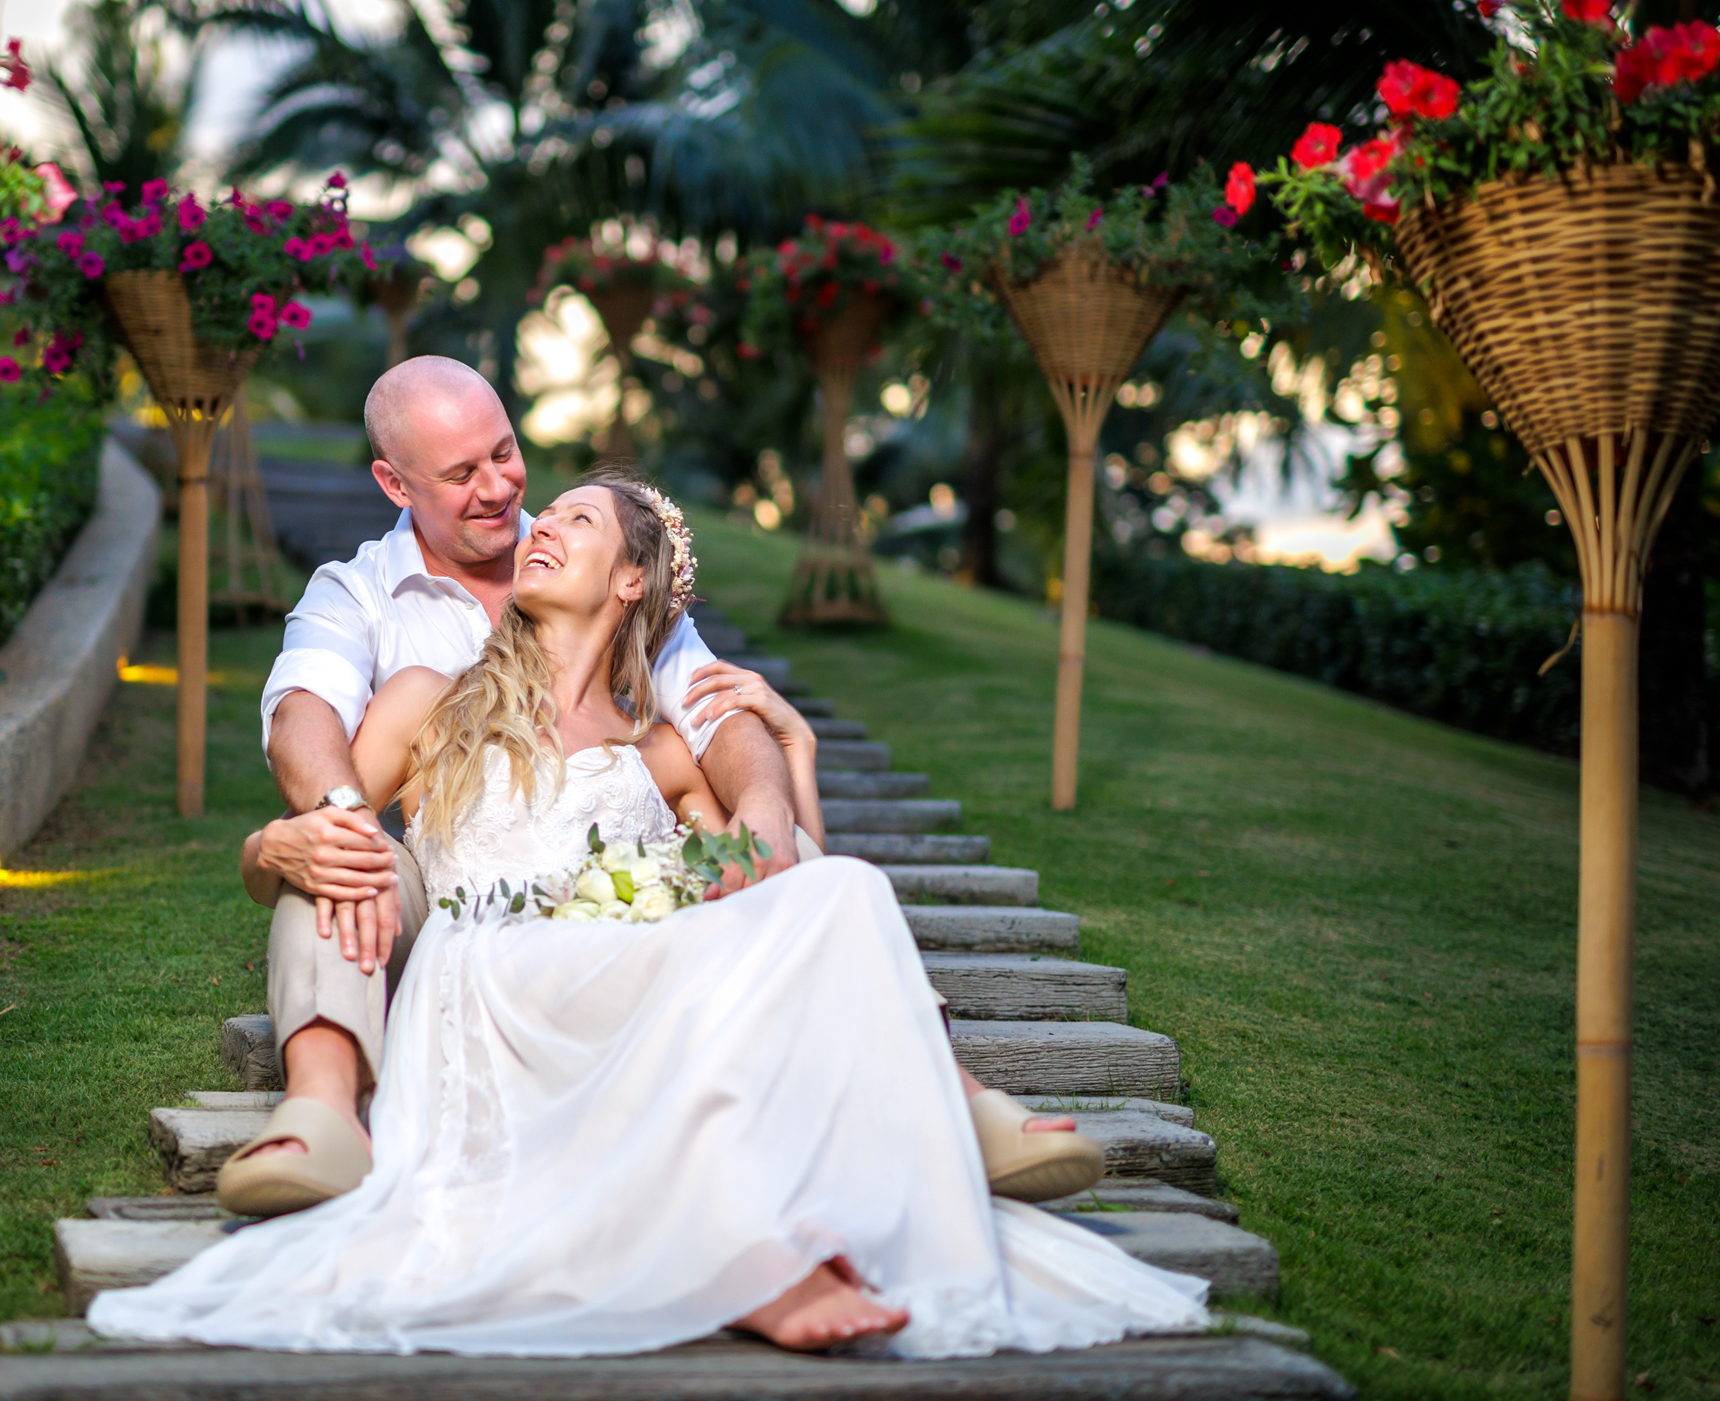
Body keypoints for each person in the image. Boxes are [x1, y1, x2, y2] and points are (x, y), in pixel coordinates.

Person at [90, 475, 1209, 1356]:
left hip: (636, 967)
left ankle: (854, 1176)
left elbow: (784, 875)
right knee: (411, 878)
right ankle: (767, 1255)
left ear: (631, 581)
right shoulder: (427, 699)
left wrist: (798, 758)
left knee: (846, 883)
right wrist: (260, 843)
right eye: (547, 516)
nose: (539, 526)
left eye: (573, 521)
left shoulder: (657, 745)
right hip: (495, 974)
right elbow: (311, 842)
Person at [222, 358, 1099, 1216]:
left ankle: (945, 1092)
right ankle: (326, 1110)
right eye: (461, 473)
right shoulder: (384, 627)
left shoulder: (614, 628)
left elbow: (723, 733)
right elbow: (303, 716)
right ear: (394, 482)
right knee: (343, 852)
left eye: (505, 453)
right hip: (458, 935)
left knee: (821, 873)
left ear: (631, 583)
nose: (503, 492)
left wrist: (777, 796)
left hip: (604, 952)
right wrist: (312, 828)